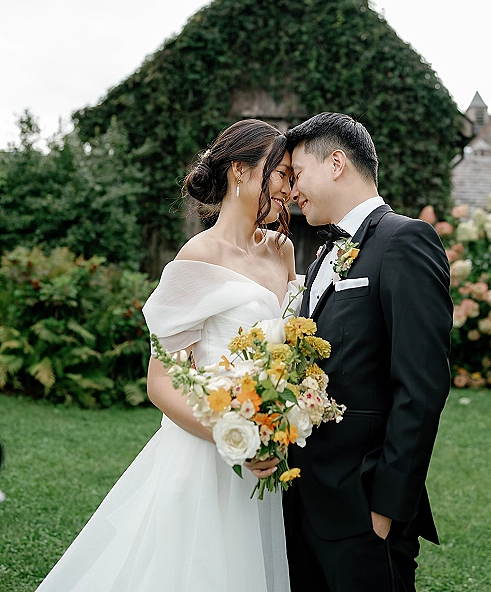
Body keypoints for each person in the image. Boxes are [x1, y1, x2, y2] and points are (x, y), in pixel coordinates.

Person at [36, 119, 295, 592]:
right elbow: (160, 381)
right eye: (279, 173)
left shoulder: (282, 251)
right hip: (205, 453)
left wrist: (280, 419)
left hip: (265, 448)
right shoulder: (197, 256)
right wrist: (233, 436)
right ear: (241, 171)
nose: (288, 188)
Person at [283, 112, 452, 592]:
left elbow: (420, 389)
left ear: (336, 163)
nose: (293, 191)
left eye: (297, 175)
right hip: (304, 500)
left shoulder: (405, 240)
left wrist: (384, 510)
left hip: (362, 509)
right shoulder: (320, 256)